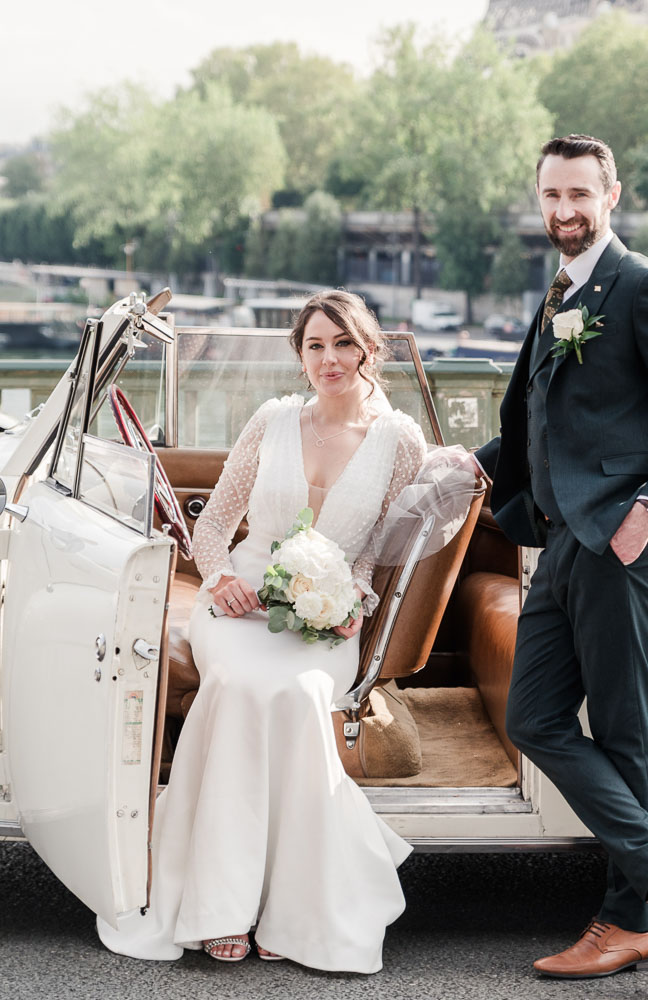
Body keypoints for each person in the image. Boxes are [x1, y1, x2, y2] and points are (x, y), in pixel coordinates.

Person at [97, 289, 426, 973]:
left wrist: (346, 601)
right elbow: (212, 526)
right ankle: (217, 901)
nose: (329, 359)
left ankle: (292, 905)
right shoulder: (275, 420)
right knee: (242, 683)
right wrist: (220, 580)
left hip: (327, 617)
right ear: (299, 355)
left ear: (370, 348)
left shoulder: (400, 442)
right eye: (314, 345)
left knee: (301, 694)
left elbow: (379, 553)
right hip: (238, 607)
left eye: (343, 343)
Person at [475, 135, 648, 997]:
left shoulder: (644, 284)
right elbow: (542, 418)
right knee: (536, 718)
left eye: (580, 193)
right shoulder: (561, 291)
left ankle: (626, 922)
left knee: (624, 729)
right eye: (550, 195)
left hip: (619, 545)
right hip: (557, 543)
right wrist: (465, 462)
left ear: (612, 192)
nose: (564, 210)